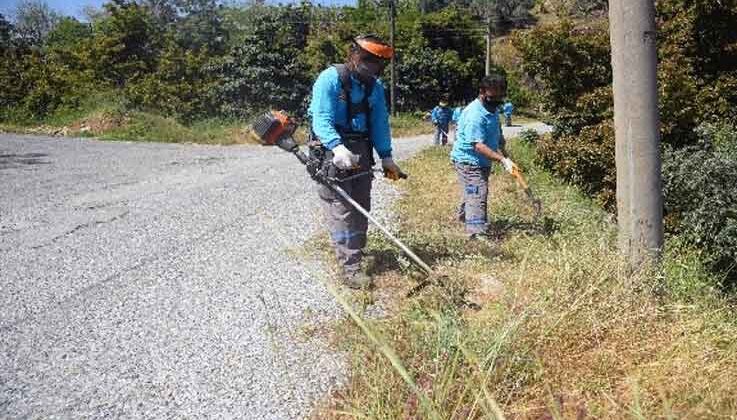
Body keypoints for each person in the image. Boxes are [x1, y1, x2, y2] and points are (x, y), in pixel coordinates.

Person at [308, 34, 405, 289]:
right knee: (342, 209)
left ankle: (357, 252)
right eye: (368, 60)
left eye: (378, 64)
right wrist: (337, 147)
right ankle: (350, 268)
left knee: (362, 205)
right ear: (354, 55)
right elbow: (321, 119)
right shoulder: (330, 79)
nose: (373, 67)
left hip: (362, 147)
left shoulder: (375, 86)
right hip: (332, 150)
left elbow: (379, 123)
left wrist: (387, 157)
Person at [450, 74, 517, 241]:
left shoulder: (492, 109)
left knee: (472, 190)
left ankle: (464, 217)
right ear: (482, 92)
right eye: (492, 97)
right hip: (468, 161)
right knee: (478, 192)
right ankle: (476, 232)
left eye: (500, 97)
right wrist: (501, 160)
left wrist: (505, 154)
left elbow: (497, 131)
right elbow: (478, 145)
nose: (496, 100)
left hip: (482, 161)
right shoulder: (475, 115)